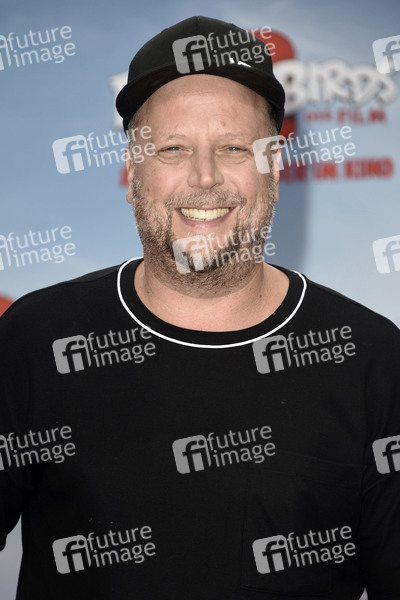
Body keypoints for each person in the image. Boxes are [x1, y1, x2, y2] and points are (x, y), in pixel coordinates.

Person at [0, 15, 399, 600]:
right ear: (133, 170)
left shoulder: (370, 359)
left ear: (274, 167)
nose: (204, 177)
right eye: (173, 148)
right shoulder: (36, 340)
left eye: (233, 147)